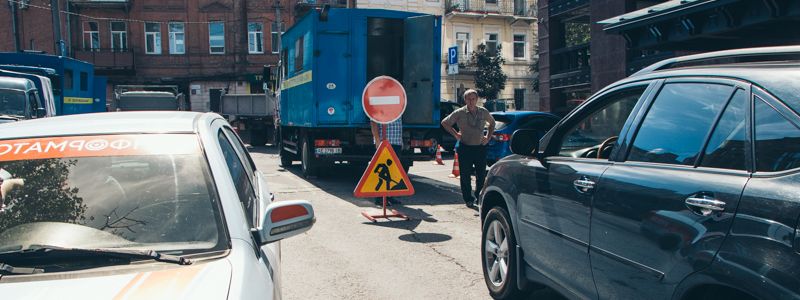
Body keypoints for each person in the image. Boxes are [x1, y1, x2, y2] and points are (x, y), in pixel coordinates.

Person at [441, 89, 496, 209]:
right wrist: (456, 134)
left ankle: (479, 196)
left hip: (480, 148)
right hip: (465, 148)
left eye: (473, 99)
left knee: (481, 175)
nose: (471, 101)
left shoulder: (483, 111)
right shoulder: (460, 112)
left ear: (476, 100)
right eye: (468, 99)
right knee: (465, 176)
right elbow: (445, 123)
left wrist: (488, 137)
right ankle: (468, 199)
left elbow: (492, 123)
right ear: (465, 100)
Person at [370, 118, 403, 206]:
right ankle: (379, 198)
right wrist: (377, 140)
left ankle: (389, 196)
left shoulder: (398, 108)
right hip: (384, 142)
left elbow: (398, 126)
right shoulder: (381, 106)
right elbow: (373, 122)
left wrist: (401, 141)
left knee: (393, 172)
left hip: (396, 142)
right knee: (382, 176)